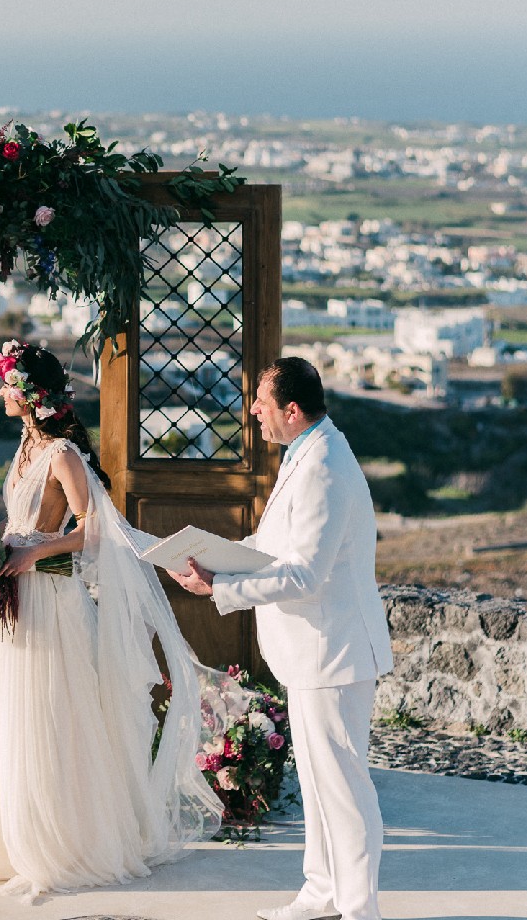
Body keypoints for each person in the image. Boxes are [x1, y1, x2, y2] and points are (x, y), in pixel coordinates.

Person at [0, 340, 224, 900]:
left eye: (7, 383)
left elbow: (95, 529)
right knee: (14, 714)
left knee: (54, 714)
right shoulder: (25, 448)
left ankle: (63, 845)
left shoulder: (61, 454)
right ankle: (17, 839)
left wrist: (34, 550)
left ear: (28, 394)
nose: (1, 391)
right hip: (16, 603)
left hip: (53, 600)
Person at [170, 356, 394, 920]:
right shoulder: (308, 451)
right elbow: (278, 547)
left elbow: (304, 575)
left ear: (291, 411)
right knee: (320, 787)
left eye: (262, 405)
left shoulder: (321, 466)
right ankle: (321, 892)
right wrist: (216, 557)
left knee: (343, 788)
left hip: (332, 652)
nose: (252, 413)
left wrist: (222, 585)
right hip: (315, 652)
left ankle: (359, 909)